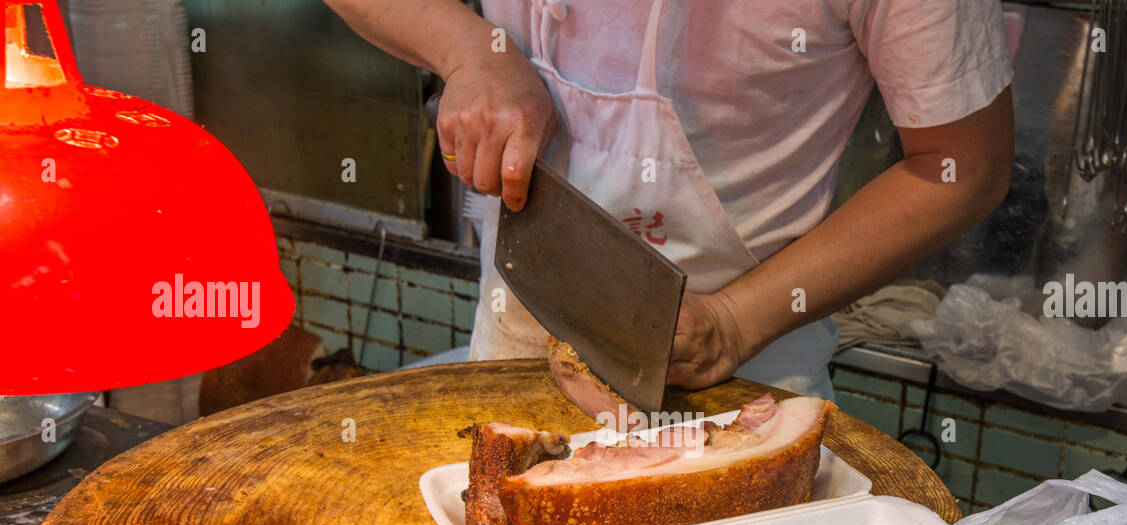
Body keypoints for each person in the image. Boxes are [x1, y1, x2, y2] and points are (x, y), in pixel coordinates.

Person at [326, 0, 1014, 400]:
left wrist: (736, 322)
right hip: (513, 337)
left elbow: (963, 165)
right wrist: (470, 49)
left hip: (743, 386)